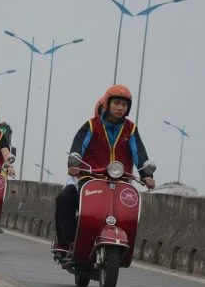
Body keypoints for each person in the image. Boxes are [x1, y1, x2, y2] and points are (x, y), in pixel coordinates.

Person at [55, 84, 155, 250]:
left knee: (128, 212)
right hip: (91, 178)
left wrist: (146, 175)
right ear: (107, 104)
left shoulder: (131, 129)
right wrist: (74, 164)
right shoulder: (91, 125)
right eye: (116, 103)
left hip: (121, 181)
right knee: (65, 198)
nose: (120, 107)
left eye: (124, 105)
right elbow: (79, 146)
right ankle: (66, 242)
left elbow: (139, 153)